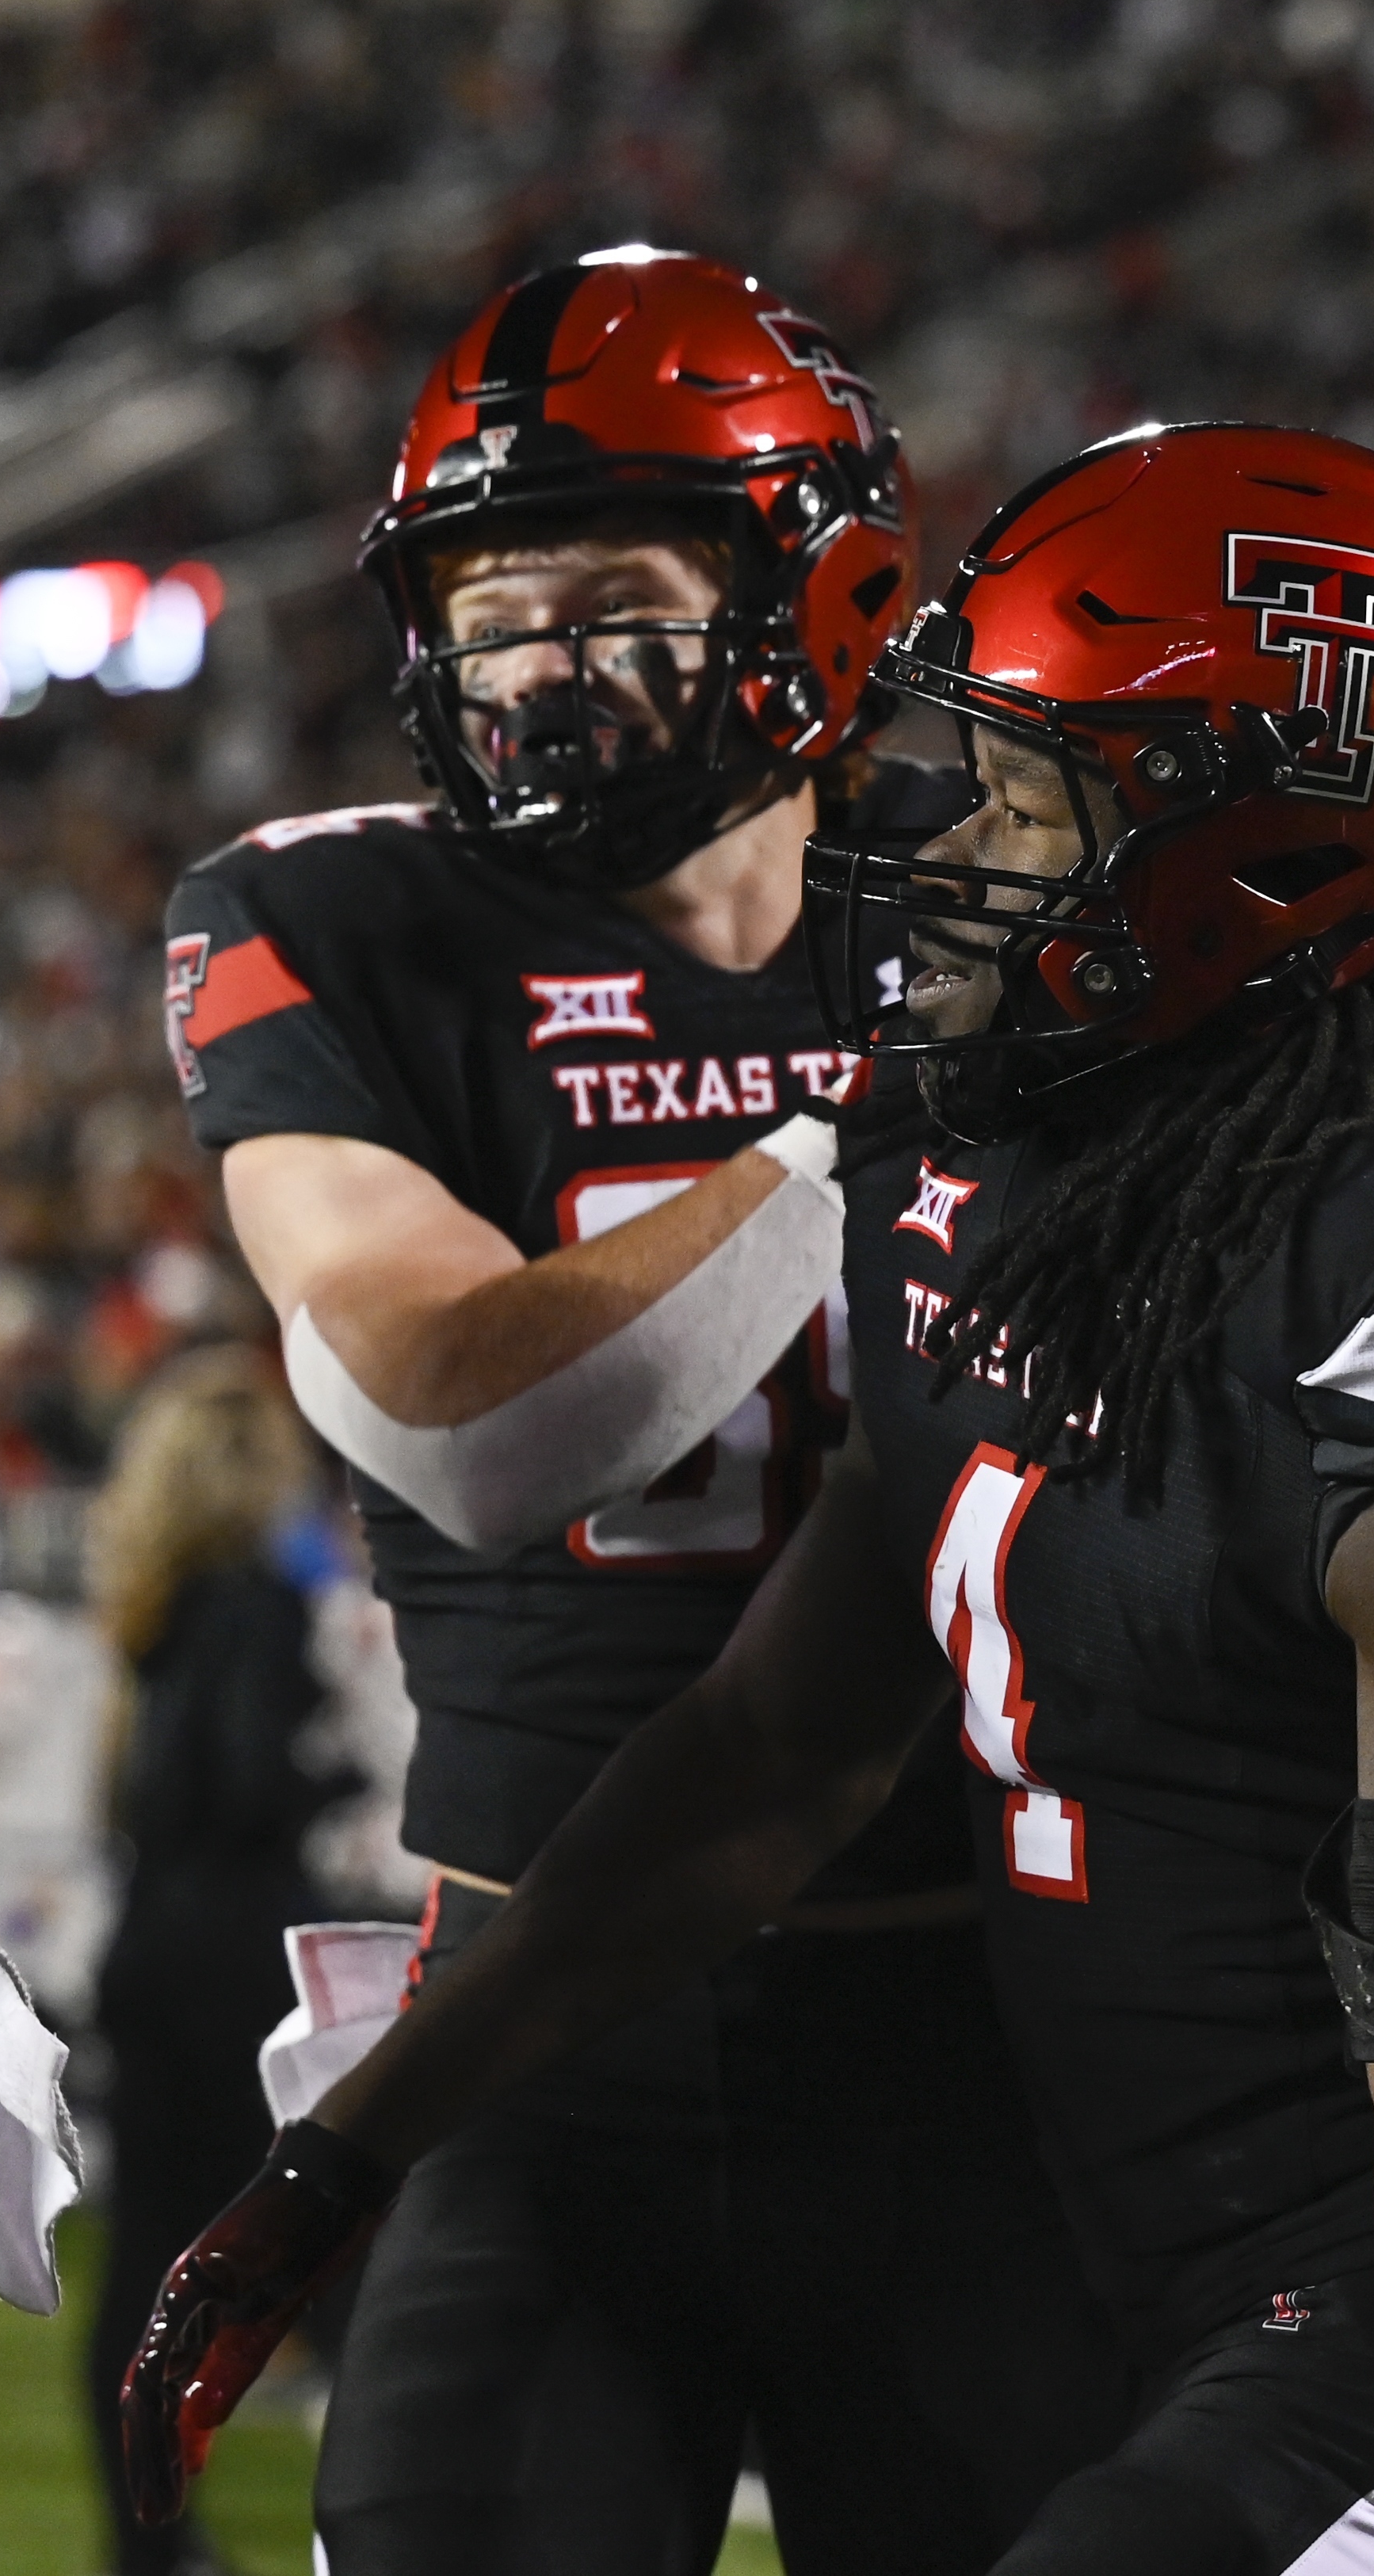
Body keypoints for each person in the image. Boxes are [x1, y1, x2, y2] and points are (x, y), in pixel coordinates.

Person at [126, 423, 1374, 2574]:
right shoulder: (992, 1176)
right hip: (1202, 2290)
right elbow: (763, 1752)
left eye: (1025, 799)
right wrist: (342, 2158)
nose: (940, 854)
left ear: (1257, 851)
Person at [151, 250, 1120, 2574]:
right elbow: (468, 1421)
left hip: (989, 2024)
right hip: (538, 2035)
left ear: (824, 581)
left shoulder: (1035, 884)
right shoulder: (335, 915)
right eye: (487, 606)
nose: (531, 666)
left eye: (605, 594)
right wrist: (883, 1119)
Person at [82, 1347, 353, 2576]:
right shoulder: (253, 1601)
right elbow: (249, 1782)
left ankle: (149, 2539)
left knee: (145, 2265)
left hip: (153, 1944)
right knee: (330, 2227)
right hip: (234, 1963)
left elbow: (144, 1792)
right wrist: (332, 1775)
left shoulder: (155, 1604)